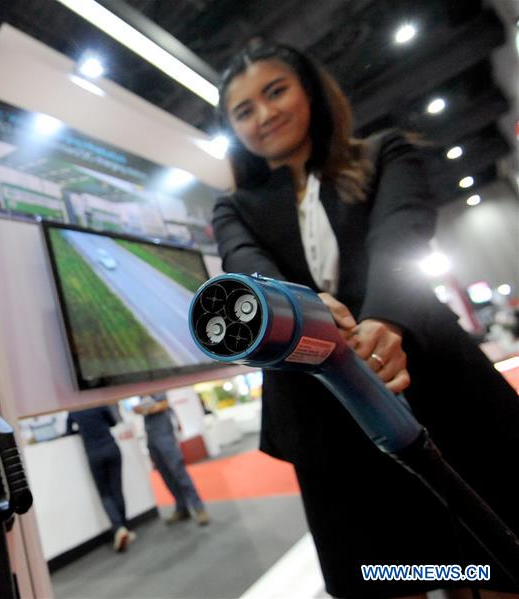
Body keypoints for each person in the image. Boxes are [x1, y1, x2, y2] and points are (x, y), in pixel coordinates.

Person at [212, 39, 519, 598]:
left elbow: (399, 234)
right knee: (383, 575)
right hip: (320, 416)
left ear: (310, 91)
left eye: (276, 91)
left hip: (433, 379)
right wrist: (304, 311)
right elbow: (245, 263)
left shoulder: (384, 153)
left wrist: (385, 321)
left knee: (486, 563)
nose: (265, 113)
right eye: (244, 110)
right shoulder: (234, 206)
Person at [66, 406, 136, 552]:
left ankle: (119, 528)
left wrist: (81, 430)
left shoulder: (73, 410)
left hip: (94, 454)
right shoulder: (98, 403)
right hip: (110, 447)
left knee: (105, 494)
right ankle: (124, 527)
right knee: (117, 490)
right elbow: (113, 422)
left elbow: (68, 431)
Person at [134, 392, 210, 525]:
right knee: (166, 476)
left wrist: (146, 409)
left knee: (179, 473)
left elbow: (162, 405)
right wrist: (148, 409)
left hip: (165, 437)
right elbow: (137, 409)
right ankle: (181, 508)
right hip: (151, 438)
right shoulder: (140, 393)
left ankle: (199, 508)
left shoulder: (156, 388)